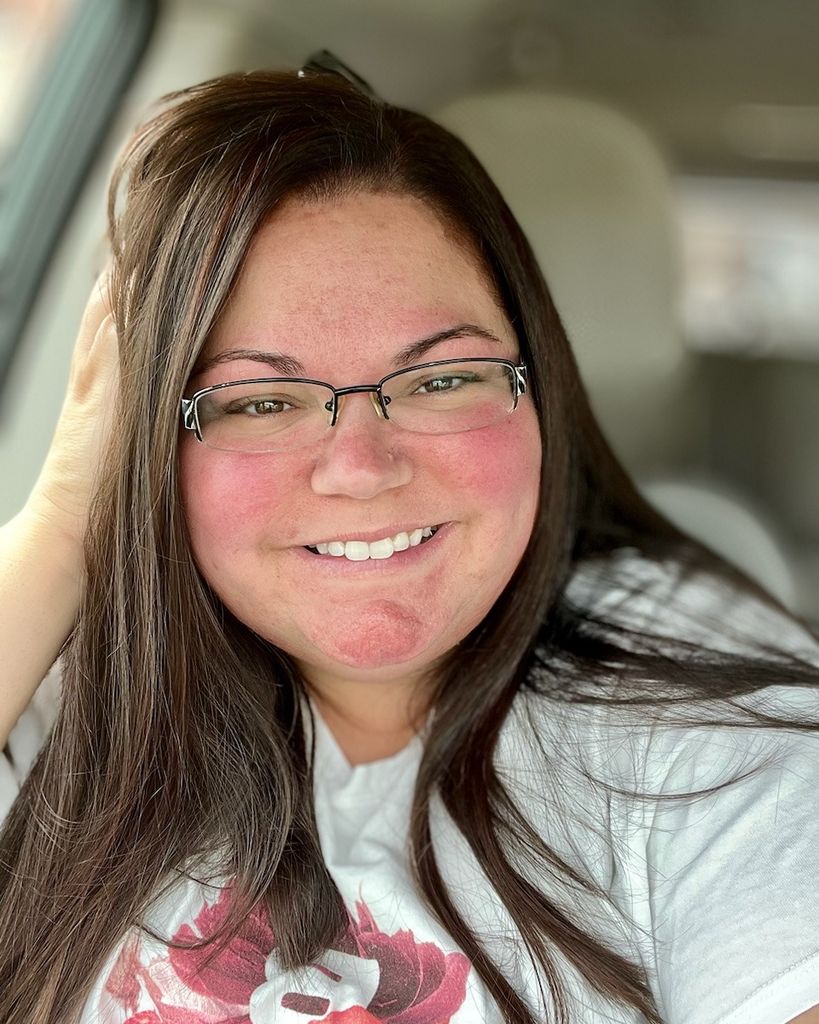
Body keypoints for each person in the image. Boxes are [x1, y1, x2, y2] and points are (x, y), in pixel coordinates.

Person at [0, 59, 818, 1024]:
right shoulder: (63, 684)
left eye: (439, 382)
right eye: (259, 400)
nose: (359, 467)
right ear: (149, 439)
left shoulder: (713, 715)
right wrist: (64, 522)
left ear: (537, 386)